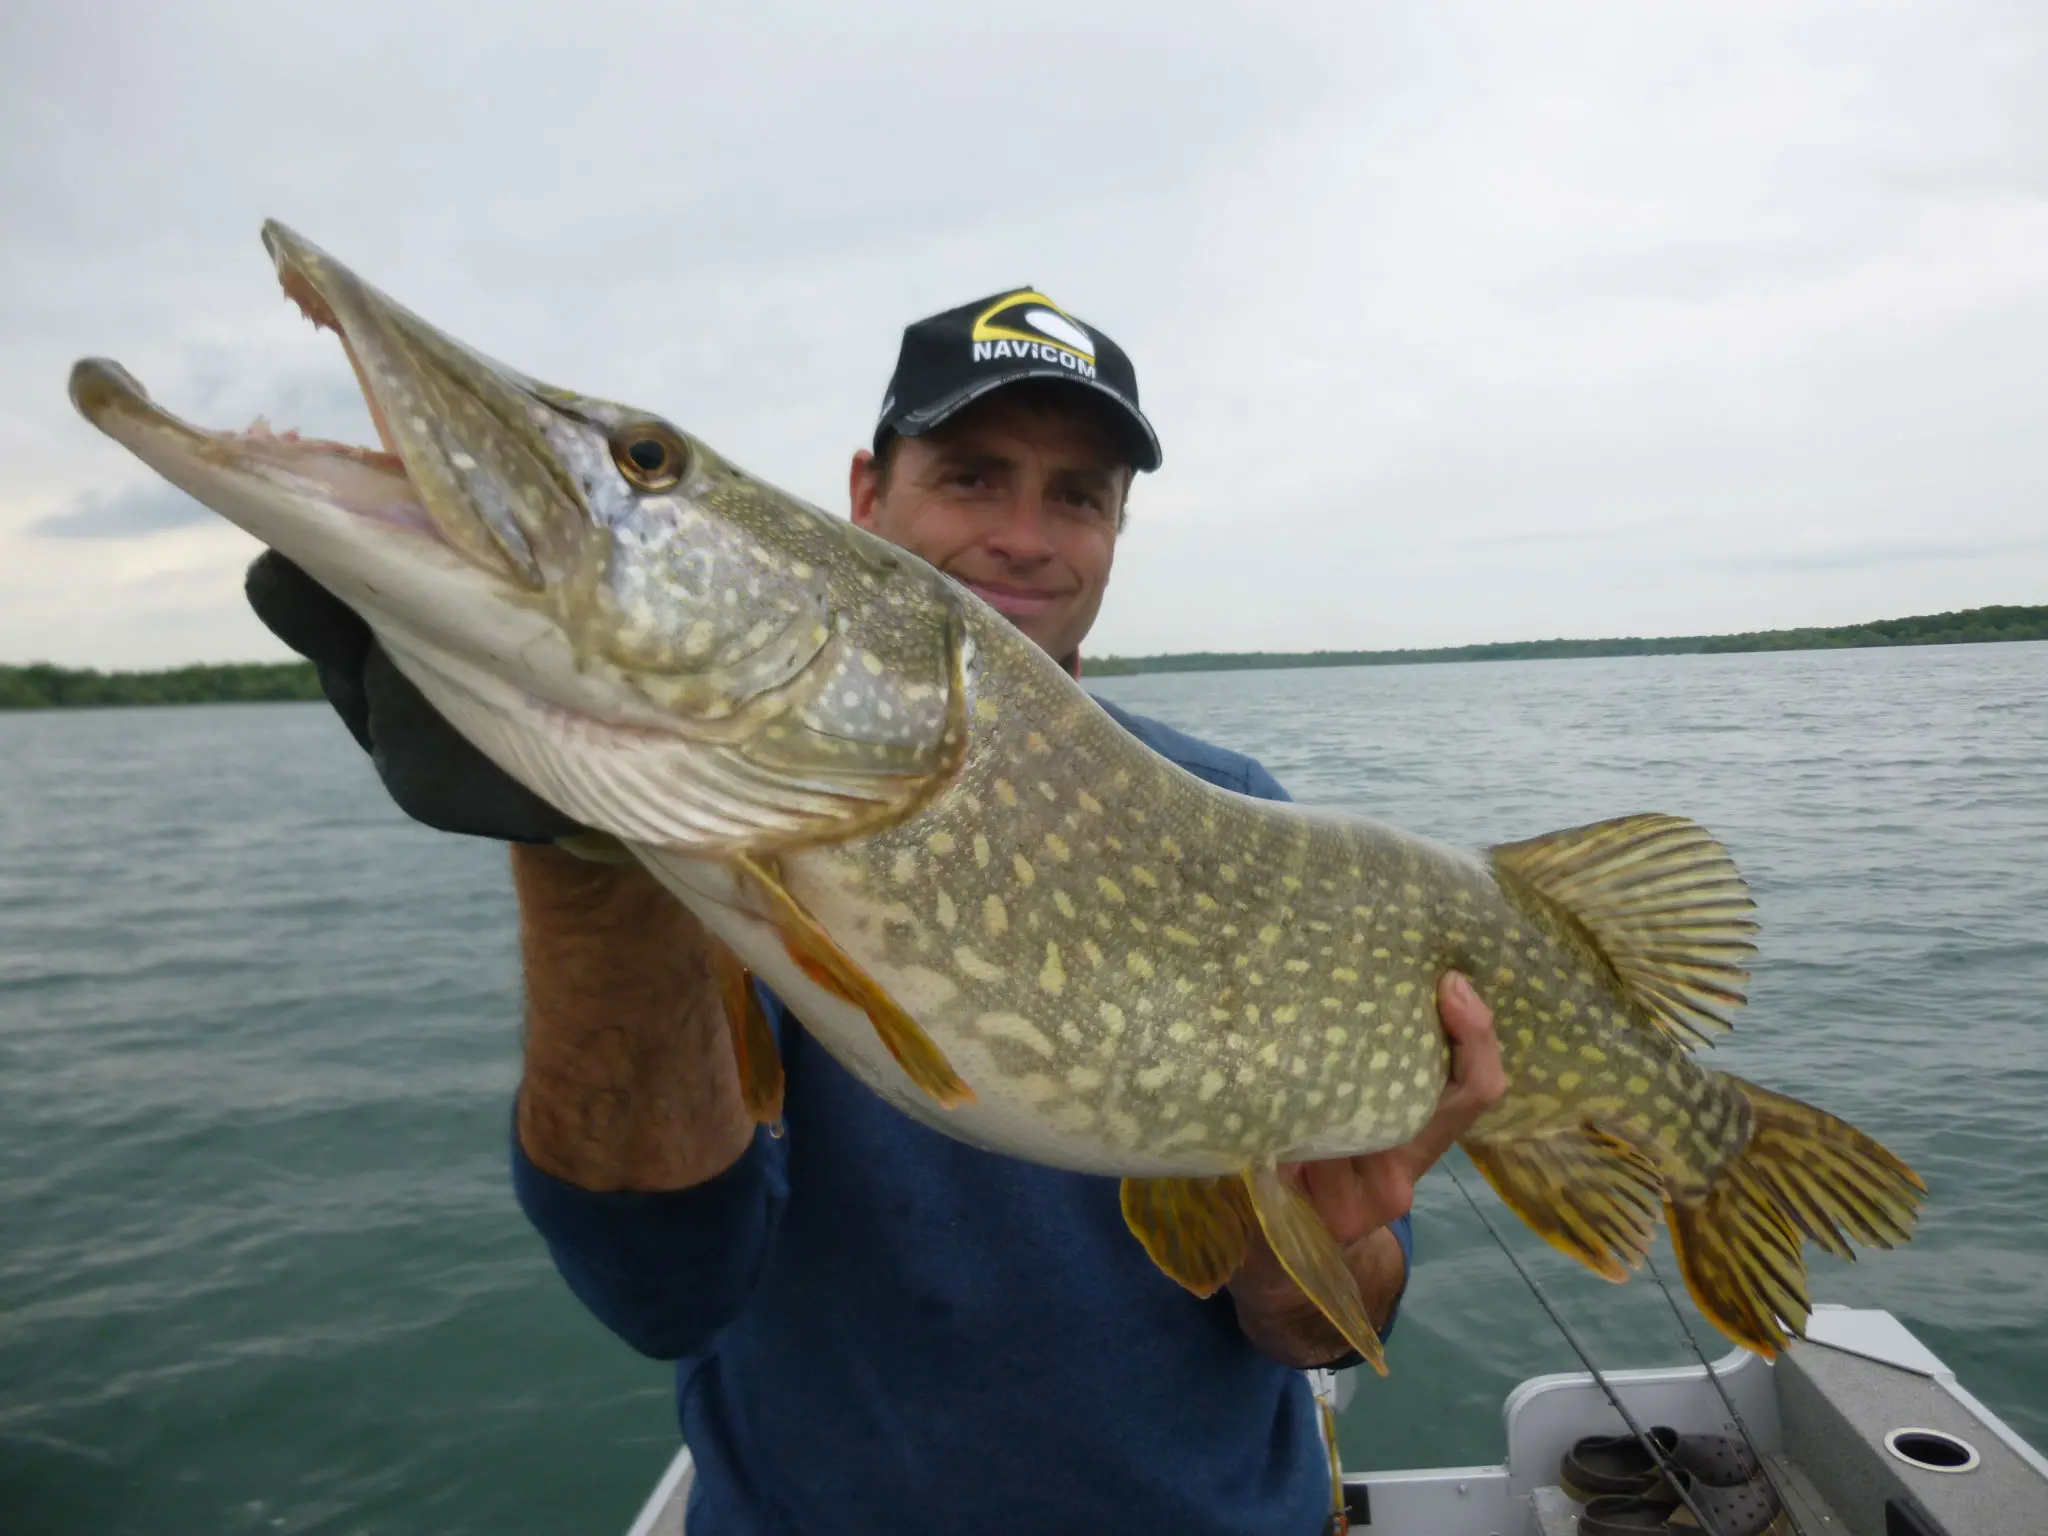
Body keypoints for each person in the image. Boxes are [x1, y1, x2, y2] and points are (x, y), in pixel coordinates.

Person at [248, 287, 1505, 1534]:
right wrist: (588, 866)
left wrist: (1327, 1232)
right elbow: (659, 1291)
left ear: (1116, 533)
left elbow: (1306, 1332)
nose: (1025, 534)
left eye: (1076, 496)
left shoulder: (1236, 815)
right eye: (970, 475)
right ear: (863, 496)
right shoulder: (711, 840)